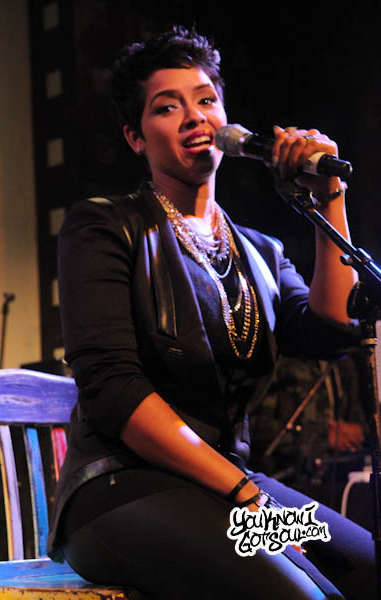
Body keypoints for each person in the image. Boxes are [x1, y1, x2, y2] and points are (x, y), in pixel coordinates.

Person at [47, 25, 376, 600]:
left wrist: (329, 194)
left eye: (205, 100)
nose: (194, 116)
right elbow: (114, 391)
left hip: (226, 487)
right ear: (135, 137)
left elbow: (330, 327)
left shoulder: (260, 251)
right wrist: (246, 495)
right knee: (299, 593)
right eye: (166, 107)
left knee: (367, 569)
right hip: (122, 489)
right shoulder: (103, 227)